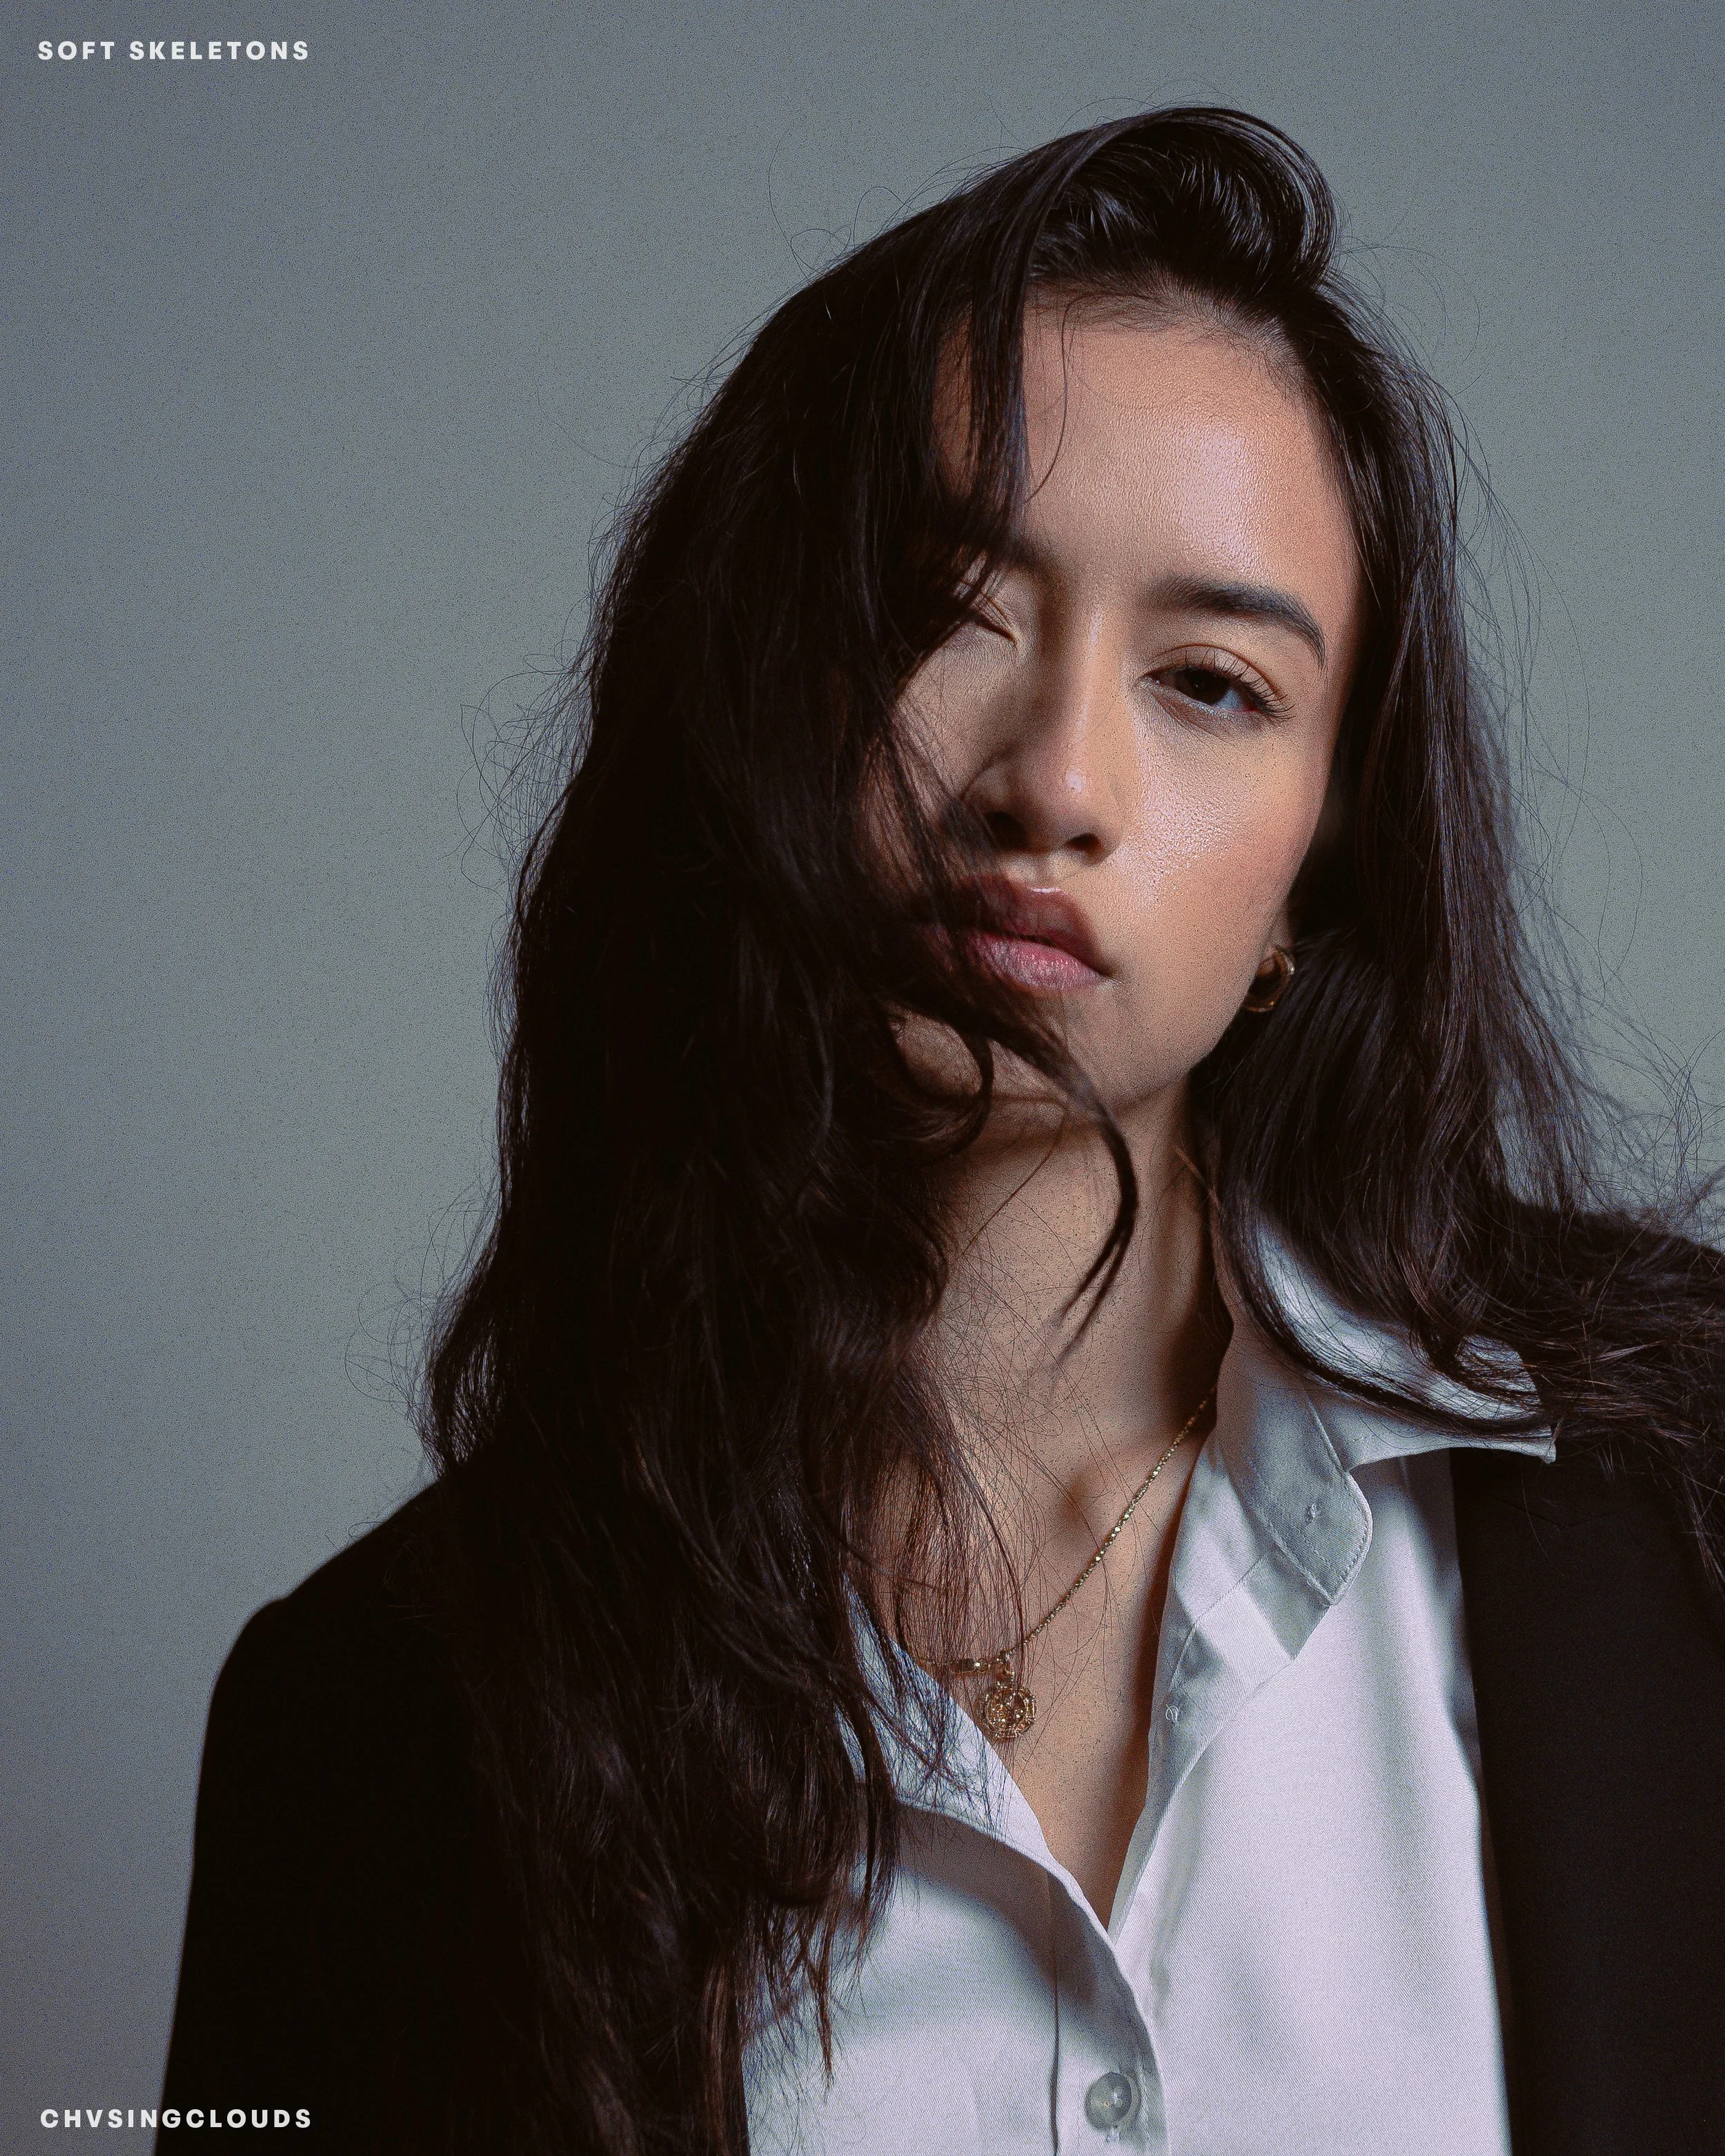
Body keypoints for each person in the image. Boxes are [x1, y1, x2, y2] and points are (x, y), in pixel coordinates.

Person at [157, 108, 1725, 2155]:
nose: (1052, 780)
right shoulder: (378, 1722)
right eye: (946, 609)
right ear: (756, 684)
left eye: (1211, 683)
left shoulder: (1674, 1495)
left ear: (1316, 880)